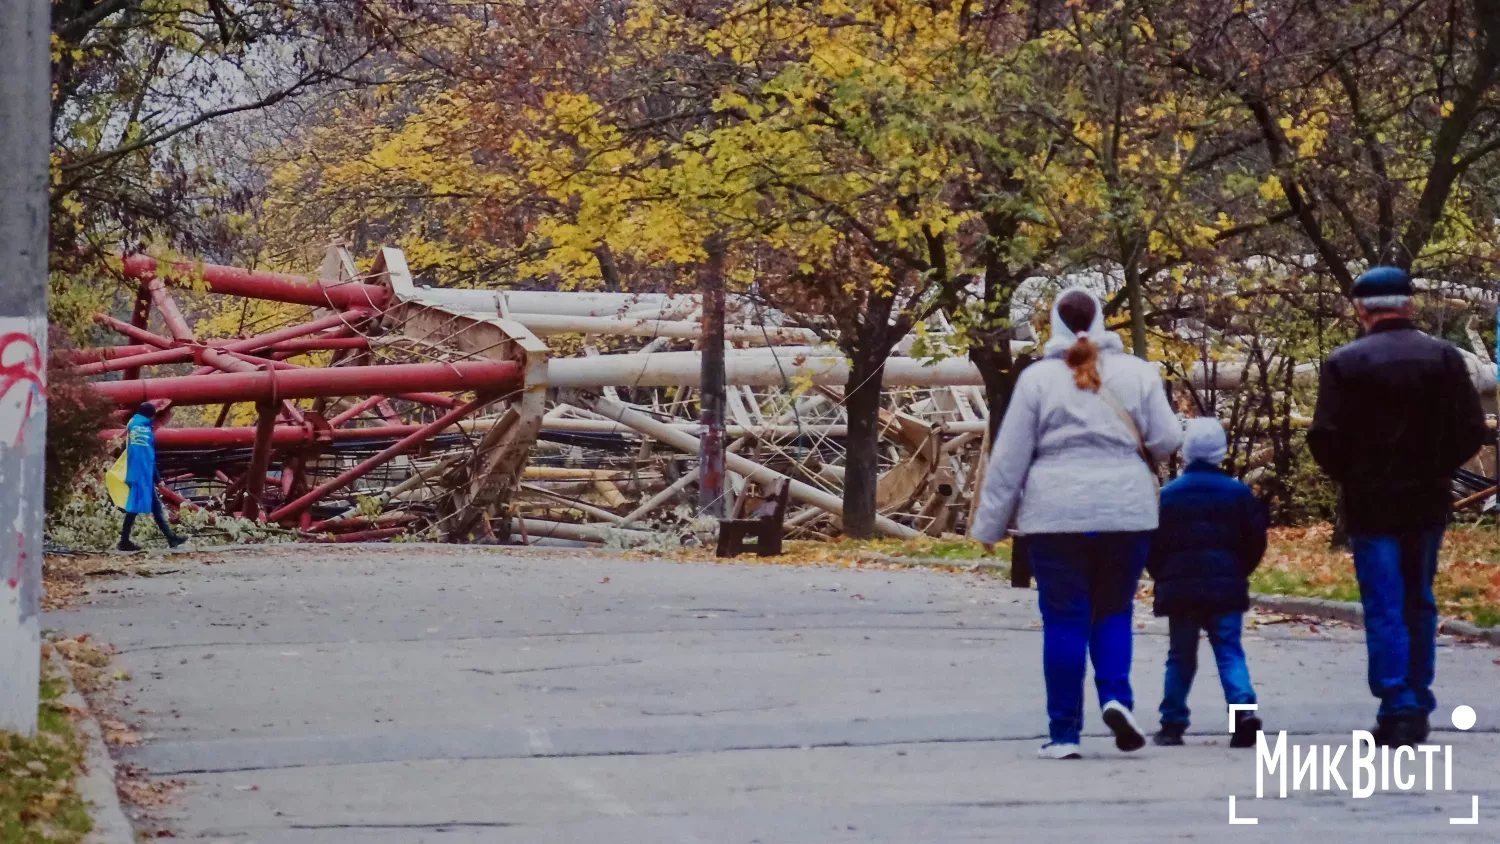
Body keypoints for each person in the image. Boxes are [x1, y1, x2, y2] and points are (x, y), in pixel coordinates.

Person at [972, 288, 1181, 759]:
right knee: (1113, 610)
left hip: (1055, 516)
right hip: (1125, 512)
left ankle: (1064, 733)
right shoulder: (1138, 373)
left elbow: (1009, 459)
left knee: (1064, 619)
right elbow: (1167, 439)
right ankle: (1115, 698)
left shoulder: (1037, 380)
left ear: (1054, 323)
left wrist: (989, 526)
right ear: (1103, 320)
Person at [1309, 266, 1487, 747]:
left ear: (1361, 309)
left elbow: (1324, 436)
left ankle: (1397, 702)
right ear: (1410, 305)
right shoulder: (1445, 359)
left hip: (1370, 503)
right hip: (1426, 496)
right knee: (1418, 599)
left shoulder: (1344, 363)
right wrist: (1438, 466)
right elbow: (1473, 428)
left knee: (1384, 601)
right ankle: (1417, 697)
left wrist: (1354, 474)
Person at [1148, 417, 1268, 748]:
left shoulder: (1168, 496)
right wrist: (1239, 570)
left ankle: (1173, 723)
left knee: (1180, 655)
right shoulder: (1238, 493)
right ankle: (1242, 712)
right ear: (1221, 452)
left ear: (1185, 452)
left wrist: (1163, 576)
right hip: (1225, 586)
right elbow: (1255, 539)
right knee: (1229, 650)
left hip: (1180, 589)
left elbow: (1153, 544)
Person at [118, 402, 186, 553]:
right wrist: (157, 478)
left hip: (136, 472)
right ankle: (124, 541)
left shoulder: (134, 425)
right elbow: (148, 456)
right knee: (135, 509)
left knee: (152, 507)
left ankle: (170, 537)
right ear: (151, 415)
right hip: (143, 474)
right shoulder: (145, 430)